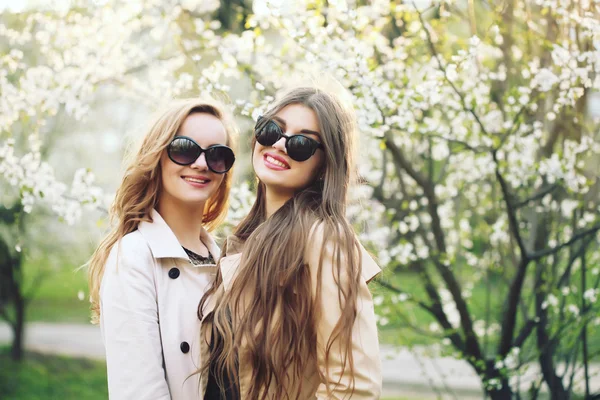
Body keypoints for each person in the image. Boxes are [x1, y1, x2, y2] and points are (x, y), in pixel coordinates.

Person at [198, 86, 382, 399]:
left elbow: (355, 387)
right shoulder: (244, 240)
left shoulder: (325, 239)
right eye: (272, 130)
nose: (280, 145)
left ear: (325, 164)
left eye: (301, 143)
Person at [87, 98, 237, 400]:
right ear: (158, 156)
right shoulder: (133, 256)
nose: (201, 164)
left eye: (217, 155)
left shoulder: (227, 261)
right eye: (184, 149)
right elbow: (139, 392)